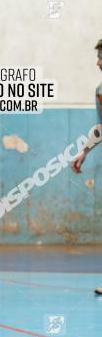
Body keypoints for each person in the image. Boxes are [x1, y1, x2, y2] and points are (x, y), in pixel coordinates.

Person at [69, 38, 102, 295]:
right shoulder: (100, 90)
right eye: (98, 56)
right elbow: (101, 127)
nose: (98, 62)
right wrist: (84, 151)